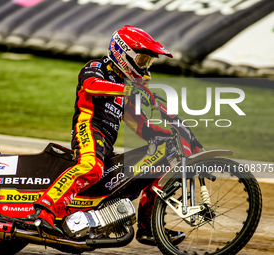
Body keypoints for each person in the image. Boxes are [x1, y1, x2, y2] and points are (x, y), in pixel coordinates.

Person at [27, 25, 184, 245]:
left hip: (106, 142)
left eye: (148, 62)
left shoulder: (125, 85)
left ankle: (148, 227)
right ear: (122, 52)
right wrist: (130, 90)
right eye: (141, 60)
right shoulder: (96, 67)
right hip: (88, 129)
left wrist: (165, 134)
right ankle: (44, 211)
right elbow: (91, 86)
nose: (145, 67)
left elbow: (135, 122)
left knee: (157, 162)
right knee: (92, 167)